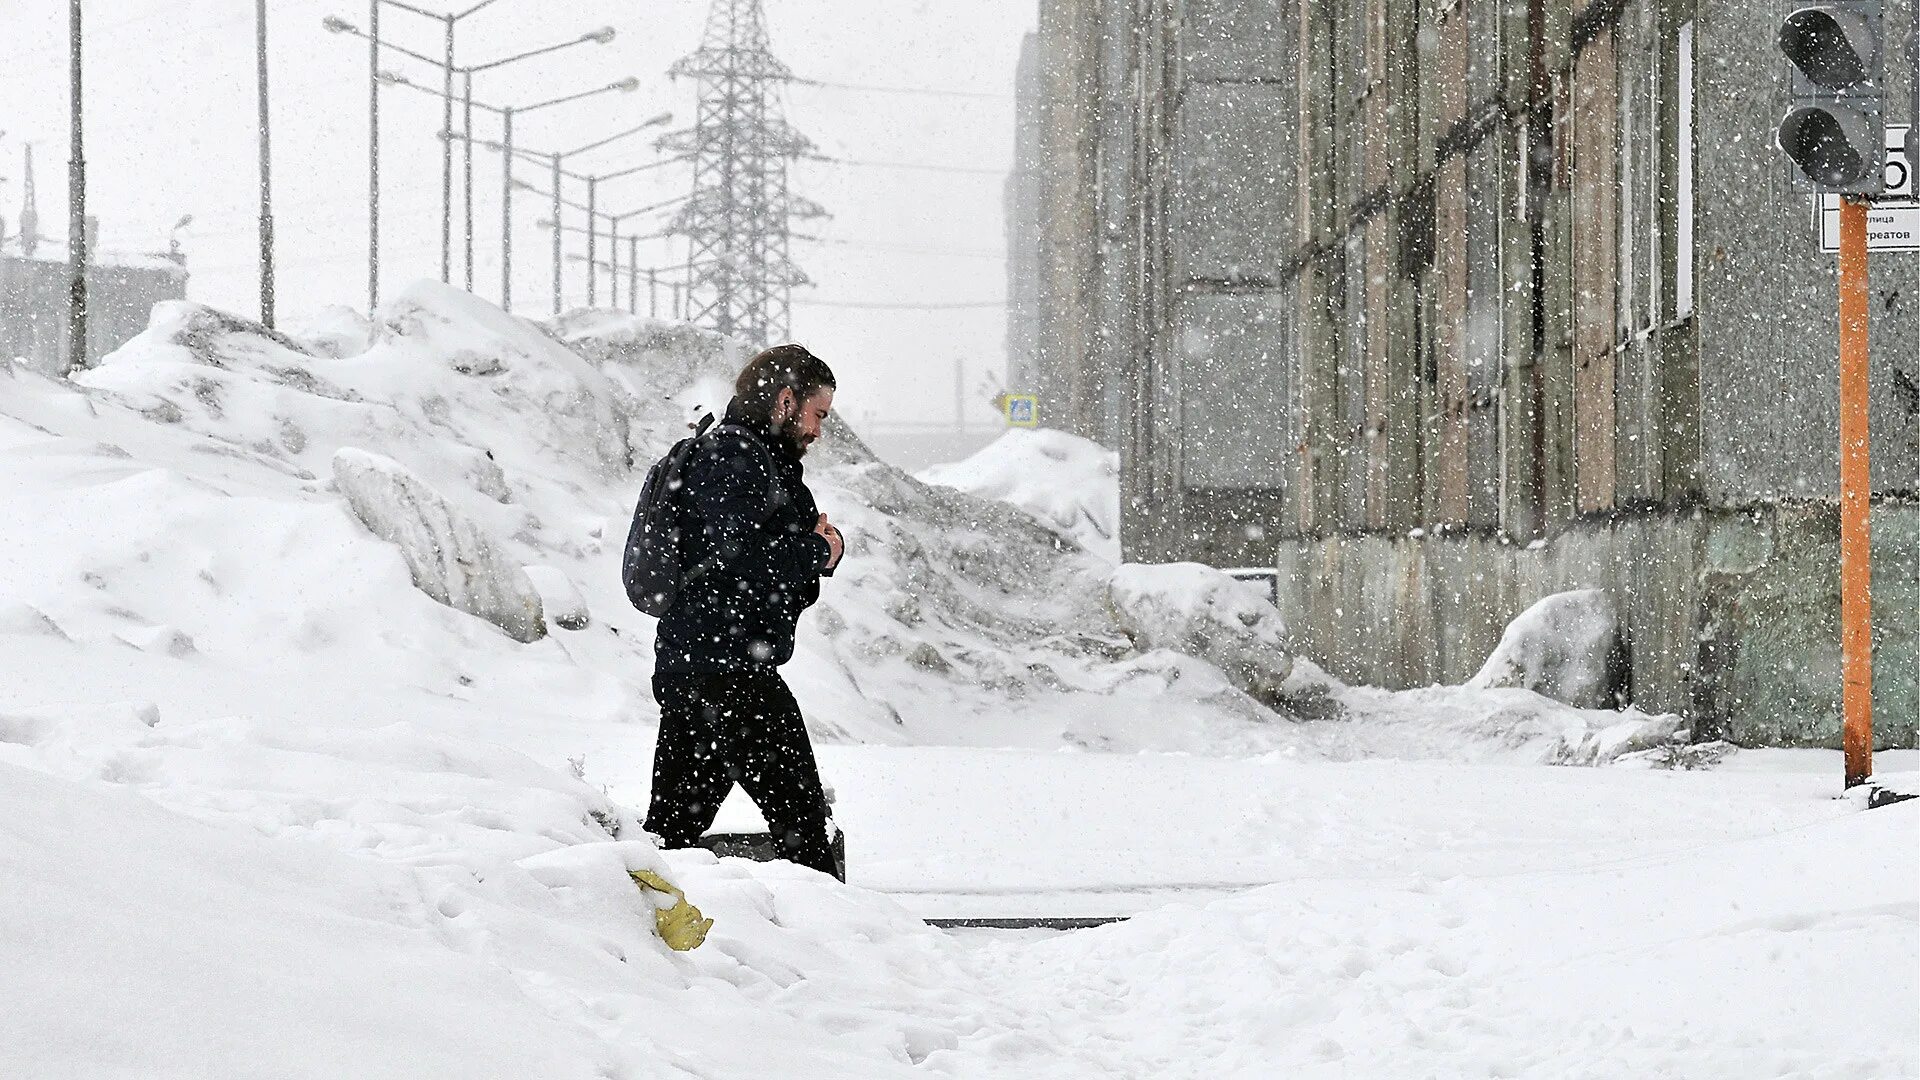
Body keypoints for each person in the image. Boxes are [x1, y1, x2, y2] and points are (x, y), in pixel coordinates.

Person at [643, 343, 846, 878]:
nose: (818, 431)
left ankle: (632, 936)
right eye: (817, 414)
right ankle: (835, 946)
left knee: (669, 842)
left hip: (716, 670)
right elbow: (739, 561)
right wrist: (818, 551)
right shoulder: (730, 458)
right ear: (785, 399)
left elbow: (766, 576)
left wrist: (810, 557)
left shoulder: (761, 463)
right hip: (719, 676)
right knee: (802, 839)